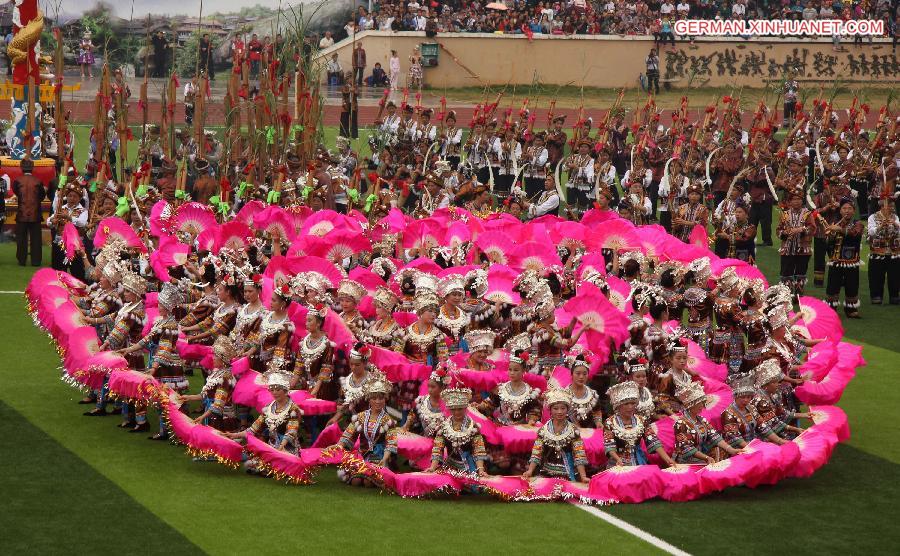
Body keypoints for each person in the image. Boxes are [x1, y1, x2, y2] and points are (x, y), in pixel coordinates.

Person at [522, 389, 589, 482]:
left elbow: (579, 454)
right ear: (550, 410)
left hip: (568, 473)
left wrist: (583, 476)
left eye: (563, 408)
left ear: (567, 409)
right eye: (556, 408)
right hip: (546, 472)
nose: (559, 412)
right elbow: (536, 452)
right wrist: (530, 471)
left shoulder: (574, 431)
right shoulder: (543, 431)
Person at [824, 198, 864, 317]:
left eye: (849, 208)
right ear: (840, 211)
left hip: (851, 260)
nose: (847, 211)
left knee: (852, 283)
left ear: (854, 210)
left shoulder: (858, 223)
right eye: (844, 208)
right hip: (836, 259)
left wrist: (839, 230)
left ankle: (851, 310)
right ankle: (831, 309)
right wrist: (830, 236)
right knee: (833, 284)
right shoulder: (835, 222)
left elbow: (855, 234)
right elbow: (828, 243)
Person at [866, 198, 900, 305]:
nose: (892, 208)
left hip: (893, 252)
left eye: (892, 206)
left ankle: (894, 296)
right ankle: (876, 296)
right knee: (876, 275)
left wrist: (894, 223)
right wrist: (880, 226)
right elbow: (871, 232)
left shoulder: (895, 217)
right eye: (890, 206)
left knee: (895, 275)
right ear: (882, 206)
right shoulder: (873, 217)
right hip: (877, 252)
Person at [13, 158, 46, 267]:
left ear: (22, 168)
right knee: (36, 239)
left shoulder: (17, 181)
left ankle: (22, 260)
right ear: (32, 168)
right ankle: (36, 261)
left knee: (21, 239)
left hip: (22, 214)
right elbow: (42, 195)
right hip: (35, 214)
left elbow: (16, 192)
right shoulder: (38, 181)